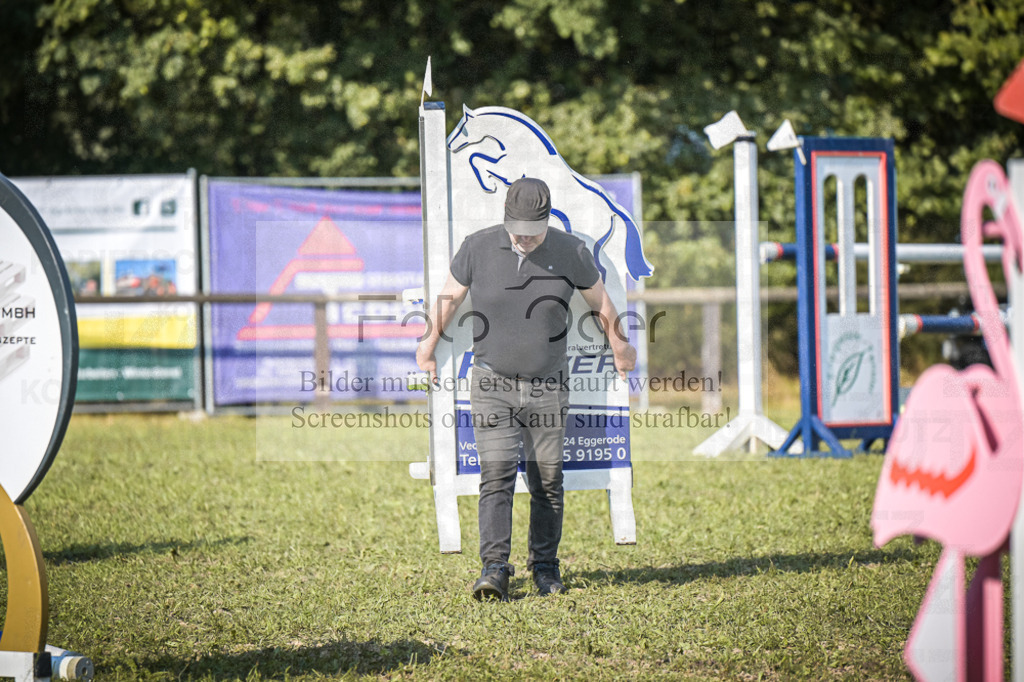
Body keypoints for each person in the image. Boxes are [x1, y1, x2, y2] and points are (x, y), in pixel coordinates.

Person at [416, 177, 636, 601]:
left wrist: (620, 346)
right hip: (491, 383)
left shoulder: (571, 250)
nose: (524, 238)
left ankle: (546, 566)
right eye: (517, 229)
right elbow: (449, 299)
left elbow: (600, 303)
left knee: (548, 479)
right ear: (505, 218)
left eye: (533, 230)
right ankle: (494, 568)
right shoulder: (477, 247)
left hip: (548, 386)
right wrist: (427, 347)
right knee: (495, 476)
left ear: (547, 220)